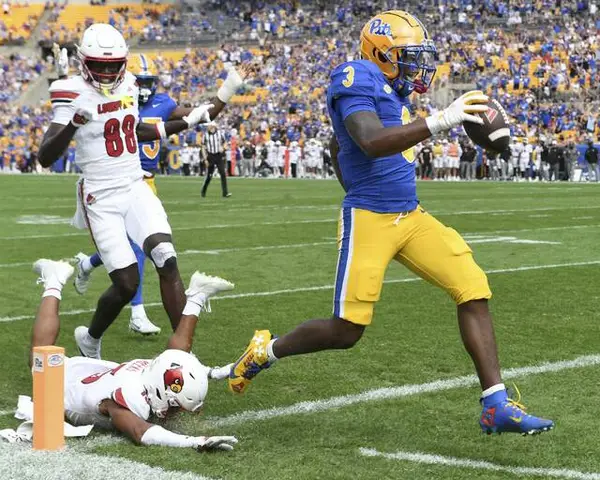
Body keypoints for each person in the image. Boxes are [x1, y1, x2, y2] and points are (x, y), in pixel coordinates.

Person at [227, 10, 554, 436]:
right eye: (409, 55)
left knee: (472, 286)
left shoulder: (392, 90)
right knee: (347, 331)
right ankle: (264, 352)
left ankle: (496, 404)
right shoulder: (354, 76)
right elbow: (368, 140)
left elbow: (338, 144)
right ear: (381, 53)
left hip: (411, 216)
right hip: (371, 218)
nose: (418, 65)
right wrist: (439, 121)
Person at [64, 51, 249, 339]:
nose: (145, 87)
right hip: (109, 184)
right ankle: (134, 311)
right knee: (132, 252)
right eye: (142, 81)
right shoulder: (114, 98)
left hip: (144, 183)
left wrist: (229, 86)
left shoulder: (163, 104)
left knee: (154, 251)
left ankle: (92, 268)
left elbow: (203, 114)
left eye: (150, 81)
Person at [29, 258, 238, 450]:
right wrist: (194, 441)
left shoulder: (153, 373)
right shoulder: (130, 399)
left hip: (92, 374)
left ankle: (197, 297)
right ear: (159, 393)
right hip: (63, 385)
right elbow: (140, 432)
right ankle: (54, 279)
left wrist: (214, 373)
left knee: (175, 355)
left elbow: (176, 360)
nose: (177, 414)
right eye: (176, 408)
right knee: (37, 360)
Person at [201, 124, 230, 197]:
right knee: (209, 175)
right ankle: (203, 190)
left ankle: (225, 193)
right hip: (210, 156)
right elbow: (203, 148)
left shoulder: (220, 133)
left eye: (209, 126)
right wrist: (205, 159)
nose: (208, 127)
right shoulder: (205, 135)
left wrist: (223, 148)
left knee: (223, 173)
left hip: (218, 155)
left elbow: (225, 143)